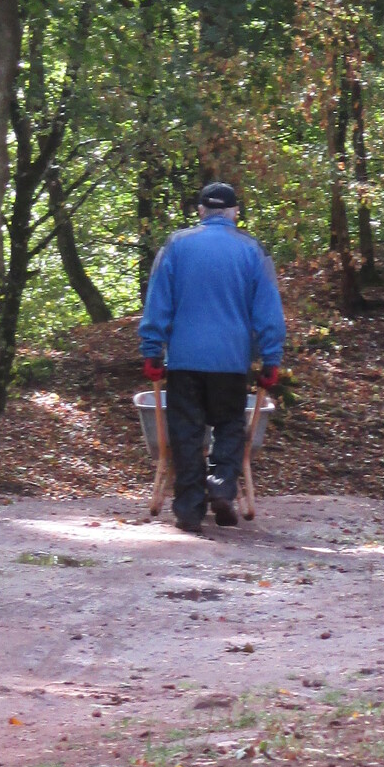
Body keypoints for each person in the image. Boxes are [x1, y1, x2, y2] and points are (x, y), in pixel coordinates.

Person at [139, 180, 285, 535]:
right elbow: (268, 310)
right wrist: (271, 359)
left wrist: (152, 349)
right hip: (230, 360)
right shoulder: (253, 250)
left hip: (185, 359)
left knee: (186, 433)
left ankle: (190, 509)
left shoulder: (176, 245)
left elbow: (158, 301)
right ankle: (221, 485)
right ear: (234, 212)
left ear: (201, 211)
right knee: (230, 424)